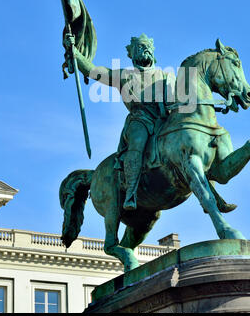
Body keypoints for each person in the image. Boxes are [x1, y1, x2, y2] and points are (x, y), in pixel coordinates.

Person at [64, 33, 172, 211]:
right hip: (140, 119)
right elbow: (93, 71)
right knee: (136, 145)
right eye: (140, 47)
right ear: (132, 54)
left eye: (147, 47)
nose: (144, 49)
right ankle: (131, 191)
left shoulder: (165, 75)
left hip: (163, 118)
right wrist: (75, 52)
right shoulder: (124, 75)